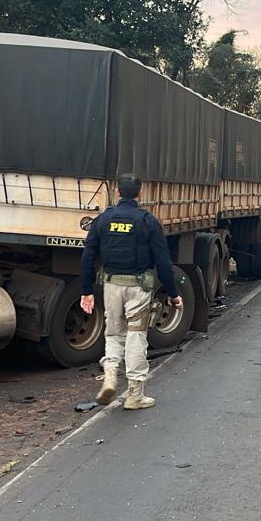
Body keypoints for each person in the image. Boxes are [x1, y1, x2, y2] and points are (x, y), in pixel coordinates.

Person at [79, 173, 182, 409]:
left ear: (117, 193)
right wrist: (173, 293)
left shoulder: (103, 220)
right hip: (138, 287)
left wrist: (86, 291)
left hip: (111, 285)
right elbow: (163, 262)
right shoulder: (148, 221)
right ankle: (135, 394)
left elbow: (88, 257)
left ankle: (111, 374)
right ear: (140, 194)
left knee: (114, 333)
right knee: (136, 335)